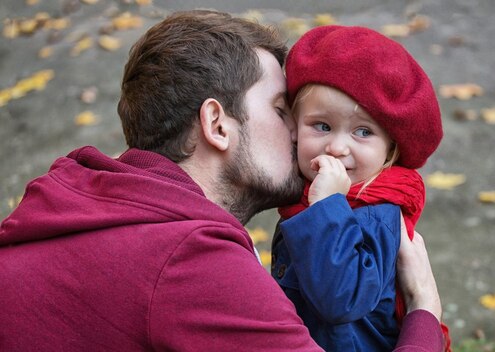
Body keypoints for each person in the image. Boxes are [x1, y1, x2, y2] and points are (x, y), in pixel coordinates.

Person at [0, 10, 444, 351]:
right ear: (217, 123)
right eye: (280, 111)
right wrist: (424, 308)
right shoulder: (191, 260)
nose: (301, 134)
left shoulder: (96, 196)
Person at [271, 25, 450, 351]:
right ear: (296, 129)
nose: (337, 147)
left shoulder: (375, 215)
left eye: (363, 132)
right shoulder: (302, 200)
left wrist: (327, 205)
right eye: (322, 126)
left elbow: (340, 299)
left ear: (390, 149)